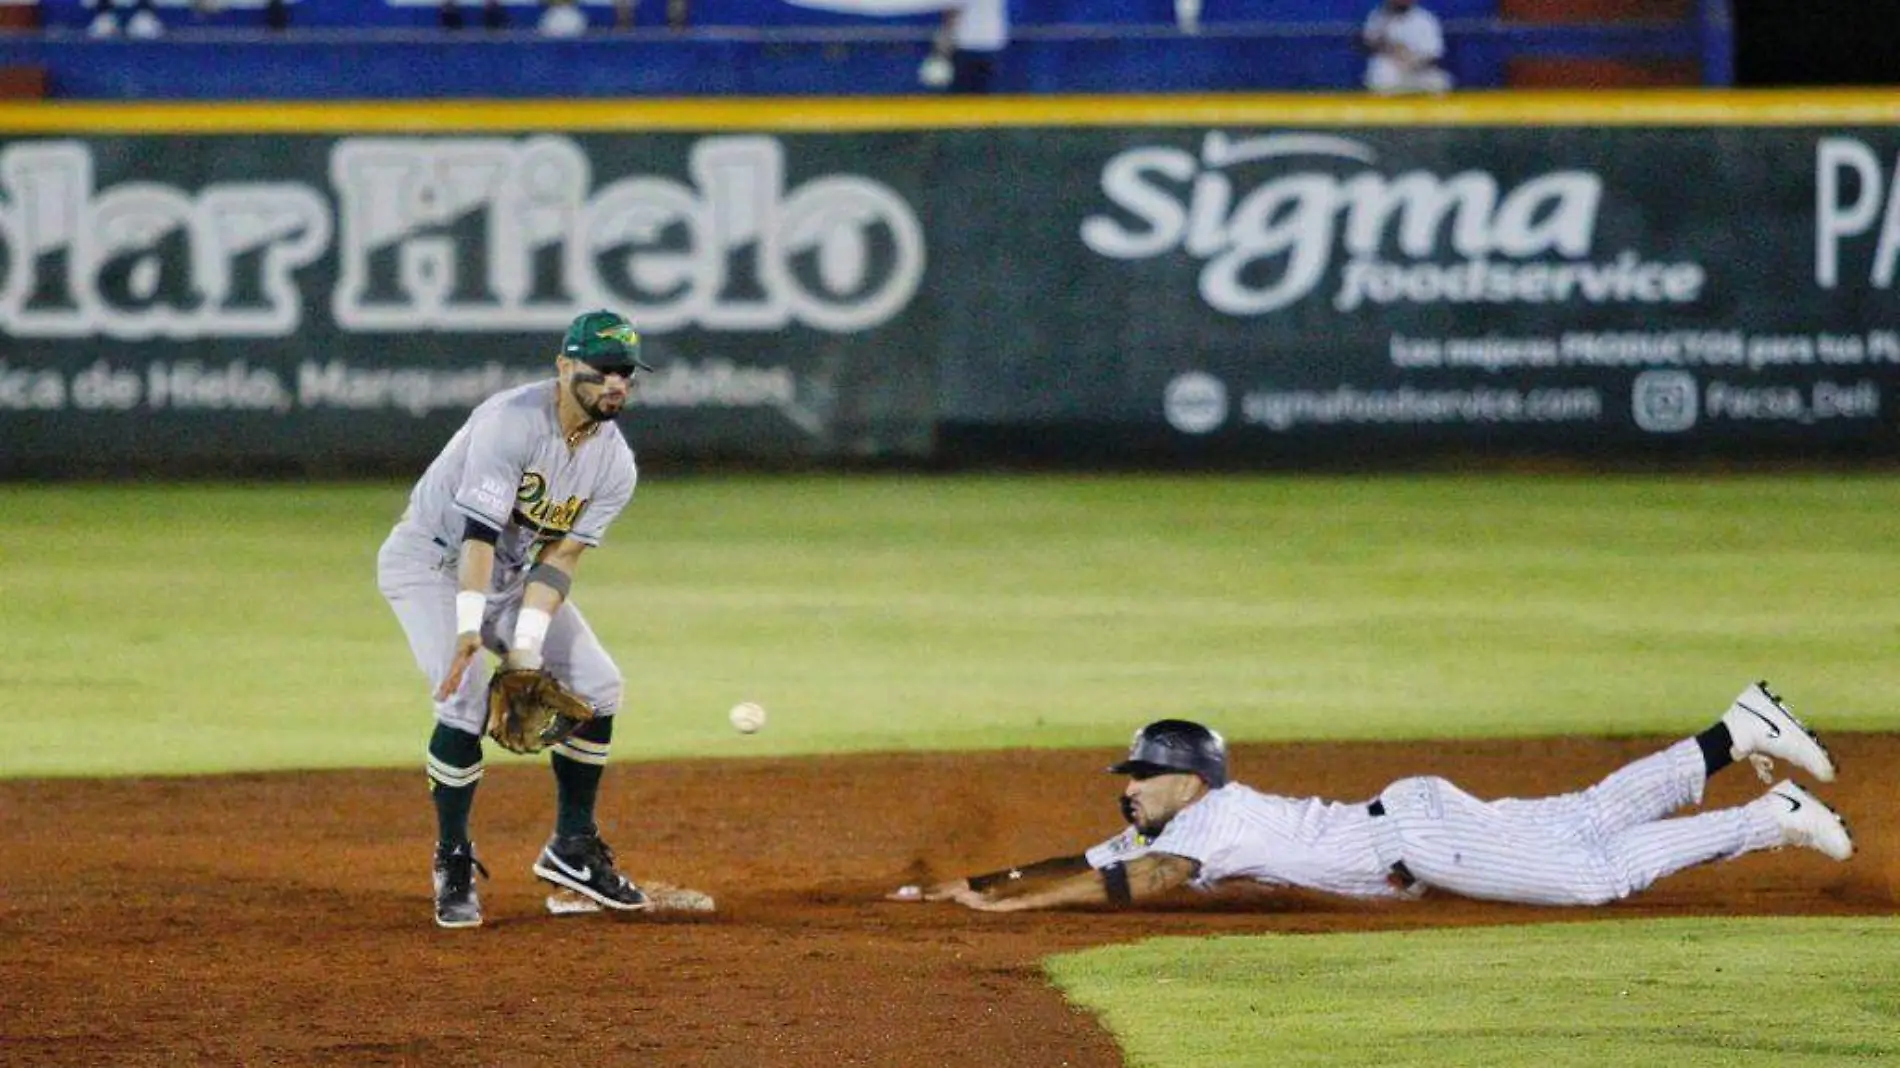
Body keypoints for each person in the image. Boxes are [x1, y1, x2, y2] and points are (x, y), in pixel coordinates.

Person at [892, 682, 1852, 912]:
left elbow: (1137, 882)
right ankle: (1741, 729)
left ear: (1189, 778)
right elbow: (1088, 864)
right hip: (1414, 817)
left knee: (1592, 874)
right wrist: (981, 889)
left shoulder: (1209, 823)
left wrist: (1027, 903)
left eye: (1141, 776)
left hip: (1421, 838)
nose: (1128, 789)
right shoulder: (1198, 814)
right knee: (1586, 814)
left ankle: (1768, 817)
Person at [377, 309, 653, 929]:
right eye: (603, 369)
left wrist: (526, 648)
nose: (617, 384)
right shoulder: (511, 423)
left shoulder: (614, 465)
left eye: (626, 373)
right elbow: (478, 533)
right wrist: (469, 629)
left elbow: (559, 560)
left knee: (600, 685)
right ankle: (453, 857)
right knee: (466, 696)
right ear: (563, 367)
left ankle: (572, 848)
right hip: (431, 566)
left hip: (506, 579)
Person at [1361, 0, 1453, 95]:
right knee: (1379, 77)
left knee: (1440, 83)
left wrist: (1411, 59)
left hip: (1419, 69)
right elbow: (1369, 43)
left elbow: (1434, 54)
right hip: (1390, 67)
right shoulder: (1378, 16)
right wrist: (1392, 48)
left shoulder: (1425, 19)